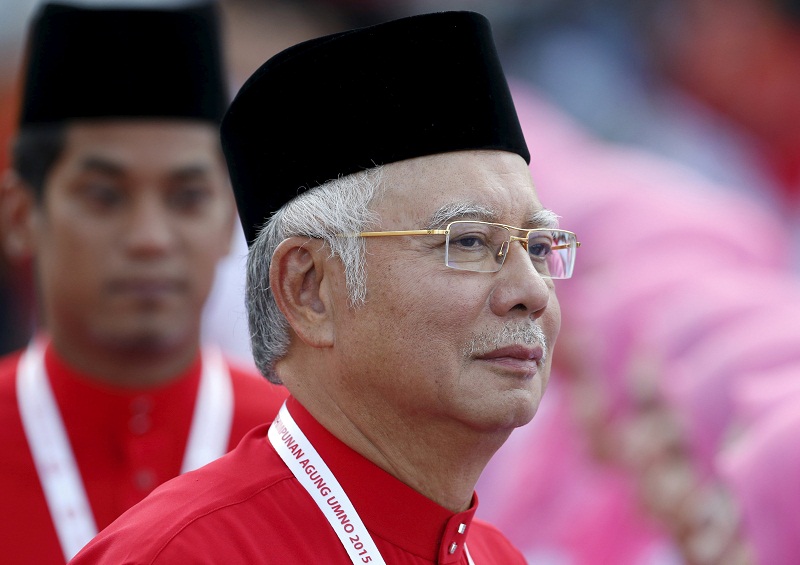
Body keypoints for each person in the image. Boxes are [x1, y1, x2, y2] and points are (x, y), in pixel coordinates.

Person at [71, 10, 579, 564]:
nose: (531, 290)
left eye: (536, 245)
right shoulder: (181, 555)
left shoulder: (497, 557)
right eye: (468, 242)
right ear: (309, 290)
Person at [0, 3, 287, 563]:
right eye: (104, 196)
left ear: (232, 220)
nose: (151, 238)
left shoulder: (306, 455)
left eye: (188, 198)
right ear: (19, 215)